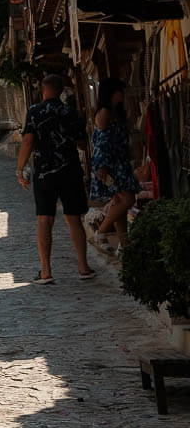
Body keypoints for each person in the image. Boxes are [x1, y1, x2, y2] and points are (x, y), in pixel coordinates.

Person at [16, 73, 95, 284]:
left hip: (44, 173)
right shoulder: (70, 112)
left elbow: (28, 141)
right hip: (70, 171)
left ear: (43, 89)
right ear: (61, 90)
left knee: (44, 220)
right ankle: (83, 267)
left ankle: (46, 271)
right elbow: (81, 142)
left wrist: (20, 168)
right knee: (74, 219)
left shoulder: (35, 112)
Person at [90, 77, 141, 251]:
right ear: (112, 92)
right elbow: (101, 142)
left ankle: (124, 245)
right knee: (128, 199)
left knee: (119, 201)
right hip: (111, 165)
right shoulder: (104, 112)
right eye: (120, 90)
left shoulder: (116, 111)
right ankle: (102, 231)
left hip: (120, 161)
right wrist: (102, 165)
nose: (123, 93)